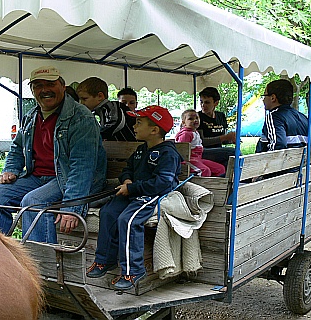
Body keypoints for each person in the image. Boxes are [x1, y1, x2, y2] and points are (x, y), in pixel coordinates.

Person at [0, 66, 107, 243]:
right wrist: (10, 169)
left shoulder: (81, 118)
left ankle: (39, 264)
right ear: (33, 90)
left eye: (50, 84)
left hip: (68, 179)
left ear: (63, 87)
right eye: (38, 86)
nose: (45, 90)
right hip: (38, 178)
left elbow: (82, 167)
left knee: (33, 201)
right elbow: (17, 148)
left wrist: (72, 206)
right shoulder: (31, 116)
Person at [86, 105, 182, 290]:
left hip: (152, 195)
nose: (134, 126)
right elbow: (127, 168)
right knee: (108, 212)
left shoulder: (168, 154)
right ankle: (104, 260)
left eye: (139, 123)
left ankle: (134, 270)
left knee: (128, 220)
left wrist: (132, 188)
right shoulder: (140, 149)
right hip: (133, 192)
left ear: (154, 130)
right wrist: (127, 180)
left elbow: (162, 183)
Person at [256, 79, 311, 153]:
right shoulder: (303, 118)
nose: (263, 100)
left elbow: (277, 146)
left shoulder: (274, 117)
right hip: (300, 163)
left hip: (276, 164)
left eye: (264, 96)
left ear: (273, 98)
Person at [77, 77, 135, 141]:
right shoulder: (101, 111)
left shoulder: (112, 106)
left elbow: (116, 122)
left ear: (100, 96)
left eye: (84, 99)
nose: (81, 103)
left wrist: (97, 135)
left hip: (131, 144)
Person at [175, 109, 225, 177]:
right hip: (188, 161)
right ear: (184, 123)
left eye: (197, 118)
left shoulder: (195, 132)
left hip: (198, 159)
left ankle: (215, 186)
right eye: (191, 119)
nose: (195, 120)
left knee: (220, 169)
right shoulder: (186, 134)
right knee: (205, 171)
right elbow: (181, 151)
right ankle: (201, 186)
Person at [197, 87, 236, 168]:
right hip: (203, 151)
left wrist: (231, 139)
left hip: (217, 150)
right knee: (233, 152)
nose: (203, 105)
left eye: (207, 102)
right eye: (201, 102)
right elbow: (201, 141)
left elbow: (223, 140)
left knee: (229, 163)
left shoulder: (221, 116)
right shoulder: (197, 117)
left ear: (216, 103)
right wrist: (224, 137)